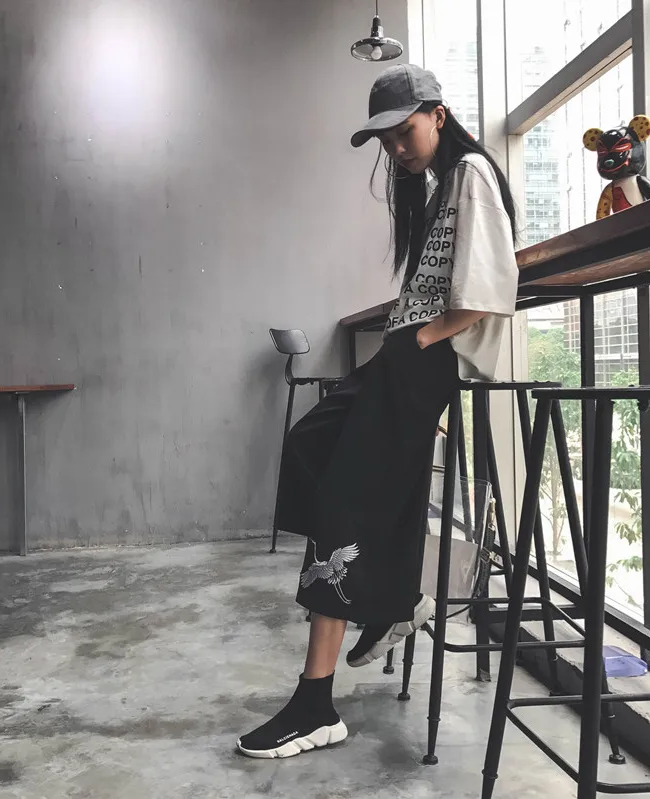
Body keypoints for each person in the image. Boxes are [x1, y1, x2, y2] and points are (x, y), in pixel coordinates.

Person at [237, 64, 519, 759]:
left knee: (342, 503)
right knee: (310, 443)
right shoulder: (441, 184)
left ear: (438, 116)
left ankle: (316, 702)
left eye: (403, 132)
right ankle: (392, 593)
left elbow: (493, 282)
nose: (395, 149)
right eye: (385, 141)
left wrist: (426, 337)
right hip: (404, 352)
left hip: (423, 358)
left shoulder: (472, 174)